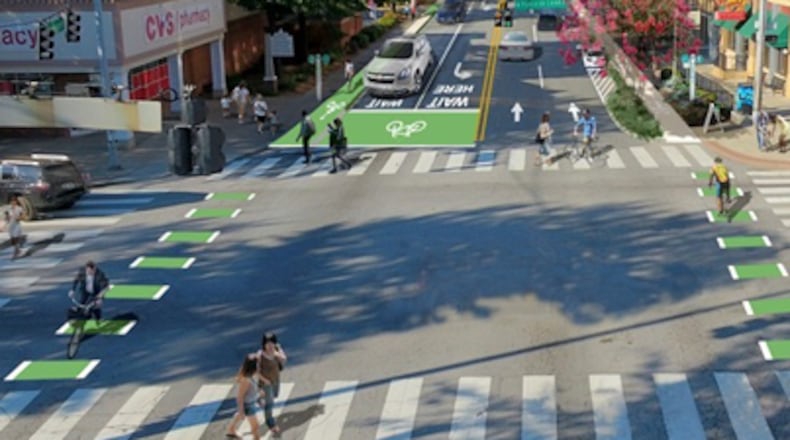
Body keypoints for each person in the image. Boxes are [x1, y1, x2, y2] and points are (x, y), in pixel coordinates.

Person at [256, 332, 287, 436]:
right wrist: (264, 380)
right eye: (267, 343)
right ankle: (270, 421)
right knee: (270, 403)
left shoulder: (276, 352)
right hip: (266, 382)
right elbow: (256, 371)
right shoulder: (260, 355)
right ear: (264, 344)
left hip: (276, 380)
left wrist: (278, 350)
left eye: (272, 343)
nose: (270, 346)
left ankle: (259, 397)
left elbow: (284, 359)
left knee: (275, 395)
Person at [226, 354, 262, 440]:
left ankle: (231, 430)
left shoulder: (251, 377)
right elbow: (240, 397)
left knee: (240, 416)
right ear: (254, 367)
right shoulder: (246, 380)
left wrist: (259, 396)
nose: (260, 366)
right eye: (259, 364)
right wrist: (241, 410)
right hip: (248, 405)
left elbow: (251, 391)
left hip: (250, 403)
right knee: (255, 426)